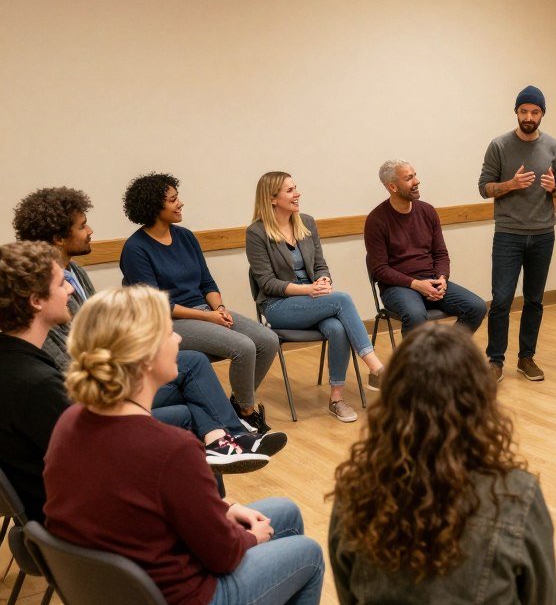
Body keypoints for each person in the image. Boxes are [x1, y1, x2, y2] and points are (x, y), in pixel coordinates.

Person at [43, 285, 324, 605]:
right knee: (307, 554)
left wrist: (225, 509)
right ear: (142, 355)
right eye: (167, 331)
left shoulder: (69, 424)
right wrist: (251, 538)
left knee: (286, 512)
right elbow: (224, 556)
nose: (177, 337)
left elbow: (133, 502)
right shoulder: (170, 448)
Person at [328, 325, 556, 605]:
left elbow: (349, 602)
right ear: (479, 402)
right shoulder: (518, 494)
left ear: (392, 403)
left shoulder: (354, 491)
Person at [13, 187, 281, 469]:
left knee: (195, 366)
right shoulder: (43, 296)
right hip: (98, 389)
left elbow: (100, 331)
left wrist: (216, 309)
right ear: (58, 238)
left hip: (112, 371)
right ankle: (227, 439)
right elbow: (72, 363)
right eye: (82, 226)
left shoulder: (76, 271)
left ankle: (230, 439)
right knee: (196, 387)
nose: (90, 230)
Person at [119, 172, 279, 433]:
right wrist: (208, 317)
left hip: (206, 312)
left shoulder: (185, 236)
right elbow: (157, 305)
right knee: (244, 347)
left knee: (267, 340)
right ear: (153, 207)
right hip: (170, 321)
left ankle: (237, 406)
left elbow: (207, 283)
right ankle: (245, 414)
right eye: (173, 200)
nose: (180, 203)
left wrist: (219, 309)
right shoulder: (136, 249)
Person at [247, 171, 385, 423]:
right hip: (278, 305)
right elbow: (267, 283)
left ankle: (337, 399)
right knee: (341, 299)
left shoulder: (307, 223)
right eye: (290, 190)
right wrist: (308, 289)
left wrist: (323, 281)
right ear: (272, 198)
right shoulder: (256, 233)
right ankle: (377, 368)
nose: (297, 194)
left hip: (313, 300)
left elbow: (320, 264)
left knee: (337, 327)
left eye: (295, 188)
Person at [478, 85, 556, 383]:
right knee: (502, 299)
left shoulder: (554, 147)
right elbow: (484, 188)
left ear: (542, 114)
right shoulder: (499, 146)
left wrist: (554, 189)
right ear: (516, 112)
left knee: (534, 300)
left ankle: (526, 358)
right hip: (508, 234)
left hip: (543, 235)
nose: (529, 117)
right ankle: (495, 360)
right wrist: (509, 185)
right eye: (524, 111)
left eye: (535, 112)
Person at [364, 159, 486, 336]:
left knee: (476, 307)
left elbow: (441, 254)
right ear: (393, 187)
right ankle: (416, 364)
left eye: (415, 175)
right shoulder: (376, 220)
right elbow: (380, 269)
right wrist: (415, 284)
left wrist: (442, 278)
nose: (417, 181)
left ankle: (445, 357)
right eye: (408, 178)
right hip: (398, 287)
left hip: (432, 280)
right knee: (416, 316)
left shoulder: (427, 211)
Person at [0, 241, 76, 522]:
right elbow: (93, 466)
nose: (70, 289)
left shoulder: (12, 361)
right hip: (71, 523)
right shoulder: (37, 384)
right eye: (60, 284)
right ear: (36, 300)